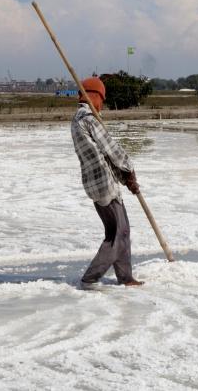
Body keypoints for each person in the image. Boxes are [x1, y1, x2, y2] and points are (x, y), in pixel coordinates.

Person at [71, 76, 144, 287]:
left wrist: (126, 180)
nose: (101, 104)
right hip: (105, 185)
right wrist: (130, 171)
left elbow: (103, 156)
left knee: (120, 231)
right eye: (101, 99)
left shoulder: (76, 120)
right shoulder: (89, 120)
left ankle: (125, 277)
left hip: (95, 185)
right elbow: (112, 150)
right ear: (94, 97)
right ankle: (91, 277)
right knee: (118, 233)